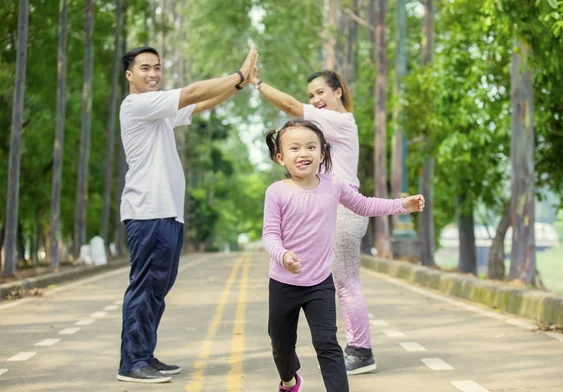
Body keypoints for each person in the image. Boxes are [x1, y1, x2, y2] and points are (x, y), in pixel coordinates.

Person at [116, 45, 257, 384]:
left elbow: (201, 102)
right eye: (145, 68)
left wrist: (238, 86)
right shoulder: (137, 104)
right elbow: (192, 91)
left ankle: (145, 355)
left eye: (158, 68)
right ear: (129, 75)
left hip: (167, 213)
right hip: (147, 212)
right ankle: (131, 362)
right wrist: (238, 74)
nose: (153, 74)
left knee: (157, 289)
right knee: (144, 287)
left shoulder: (158, 111)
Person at [262, 118, 425, 392]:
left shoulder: (333, 185)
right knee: (281, 344)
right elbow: (270, 234)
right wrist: (283, 255)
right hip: (283, 283)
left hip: (319, 283)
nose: (304, 153)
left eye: (311, 147)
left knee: (327, 343)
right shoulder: (276, 192)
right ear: (281, 157)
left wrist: (402, 205)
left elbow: (363, 205)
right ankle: (289, 381)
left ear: (323, 154)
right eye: (295, 148)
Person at [250, 63, 381, 374]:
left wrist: (257, 83)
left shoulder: (340, 120)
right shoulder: (332, 125)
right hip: (333, 207)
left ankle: (361, 350)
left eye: (321, 92)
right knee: (342, 281)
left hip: (344, 207)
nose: (315, 99)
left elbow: (291, 107)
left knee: (346, 282)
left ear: (338, 92)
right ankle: (357, 348)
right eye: (311, 94)